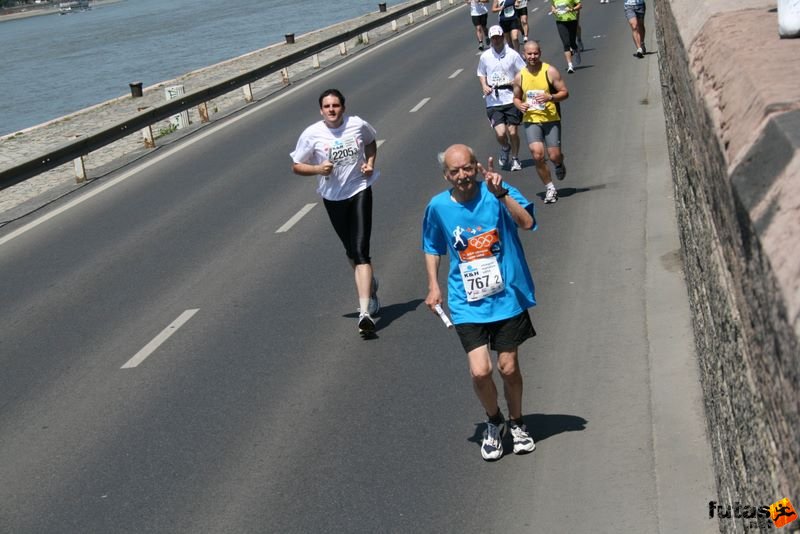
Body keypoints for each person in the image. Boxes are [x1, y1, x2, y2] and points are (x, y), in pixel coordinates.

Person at [422, 144, 538, 461]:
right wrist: (433, 286)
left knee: (508, 367)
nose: (463, 176)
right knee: (480, 372)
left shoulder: (497, 190)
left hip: (506, 297)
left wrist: (501, 195)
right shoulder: (438, 207)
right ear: (446, 175)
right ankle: (494, 420)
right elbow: (432, 246)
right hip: (466, 301)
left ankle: (517, 423)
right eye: (455, 171)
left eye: (467, 168)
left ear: (476, 166)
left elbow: (526, 222)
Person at [290, 88, 380, 336]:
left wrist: (369, 164)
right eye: (327, 106)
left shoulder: (357, 125)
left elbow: (371, 143)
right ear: (321, 110)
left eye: (336, 105)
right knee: (351, 250)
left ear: (343, 107)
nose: (332, 110)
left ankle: (365, 313)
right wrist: (319, 169)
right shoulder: (312, 134)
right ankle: (370, 286)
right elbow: (296, 166)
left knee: (362, 251)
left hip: (360, 189)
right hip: (332, 197)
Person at [513, 40, 569, 204]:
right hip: (531, 120)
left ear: (540, 53)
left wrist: (550, 97)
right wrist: (519, 105)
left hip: (551, 119)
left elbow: (565, 93)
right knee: (537, 155)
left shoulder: (549, 71)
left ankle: (559, 163)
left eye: (535, 53)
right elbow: (515, 97)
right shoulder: (520, 76)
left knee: (554, 155)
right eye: (529, 54)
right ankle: (550, 188)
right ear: (524, 55)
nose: (532, 57)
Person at [477, 25, 526, 172]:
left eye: (498, 37)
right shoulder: (485, 56)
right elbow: (481, 73)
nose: (496, 40)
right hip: (493, 100)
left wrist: (515, 81)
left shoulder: (512, 54)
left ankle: (515, 158)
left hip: (511, 98)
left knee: (513, 132)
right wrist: (484, 85)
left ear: (502, 38)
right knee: (501, 133)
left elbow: (523, 72)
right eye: (493, 38)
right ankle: (505, 147)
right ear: (490, 40)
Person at [550, 0, 582, 73]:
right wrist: (554, 10)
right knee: (566, 43)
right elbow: (552, 6)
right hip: (560, 21)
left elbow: (580, 5)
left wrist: (571, 9)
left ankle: (576, 50)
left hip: (572, 20)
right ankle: (570, 65)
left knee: (572, 42)